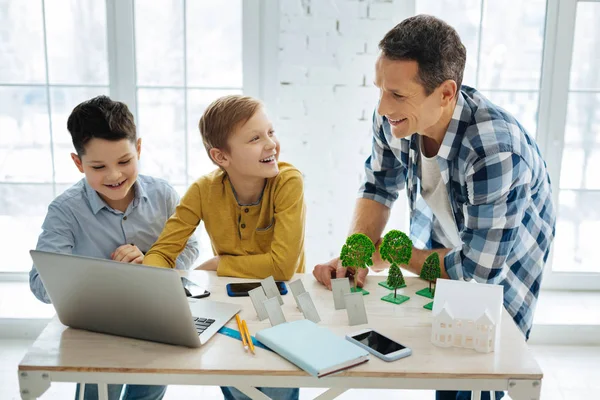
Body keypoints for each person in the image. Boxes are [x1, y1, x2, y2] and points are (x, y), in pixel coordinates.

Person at [312, 15, 556, 400]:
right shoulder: (397, 119)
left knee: (475, 379)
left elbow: (476, 273)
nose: (381, 107)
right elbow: (378, 185)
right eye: (380, 90)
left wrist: (397, 252)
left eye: (396, 94)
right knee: (441, 364)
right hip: (447, 243)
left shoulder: (495, 150)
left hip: (501, 267)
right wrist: (356, 251)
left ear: (445, 93)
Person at [29, 95, 199, 400]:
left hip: (156, 322)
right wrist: (99, 279)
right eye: (98, 166)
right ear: (78, 163)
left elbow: (191, 247)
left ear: (139, 149)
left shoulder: (162, 196)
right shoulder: (65, 211)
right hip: (95, 331)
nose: (114, 175)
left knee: (147, 394)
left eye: (124, 161)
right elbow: (39, 283)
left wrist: (151, 262)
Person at [143, 94, 305, 400]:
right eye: (255, 138)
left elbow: (282, 267)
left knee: (276, 391)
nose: (271, 144)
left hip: (281, 306)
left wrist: (220, 264)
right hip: (228, 308)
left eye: (270, 132)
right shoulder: (204, 190)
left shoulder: (288, 182)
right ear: (221, 157)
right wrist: (155, 291)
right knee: (237, 388)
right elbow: (163, 251)